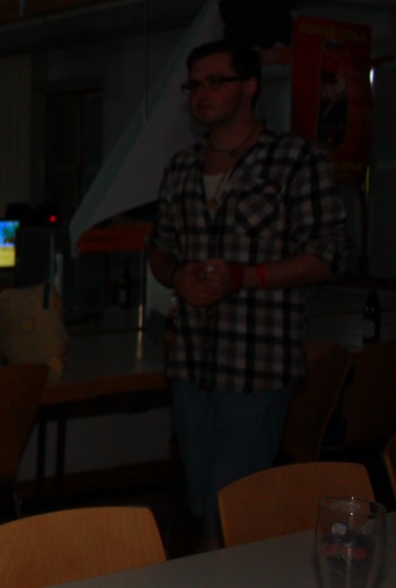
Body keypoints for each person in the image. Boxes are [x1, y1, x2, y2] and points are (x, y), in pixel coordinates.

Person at [148, 39, 347, 550]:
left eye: (217, 81)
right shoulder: (182, 167)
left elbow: (327, 255)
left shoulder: (295, 160)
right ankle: (214, 586)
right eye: (195, 85)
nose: (202, 93)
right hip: (191, 361)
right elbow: (160, 250)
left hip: (256, 363)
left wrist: (245, 277)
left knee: (231, 505)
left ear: (250, 86)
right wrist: (178, 274)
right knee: (201, 501)